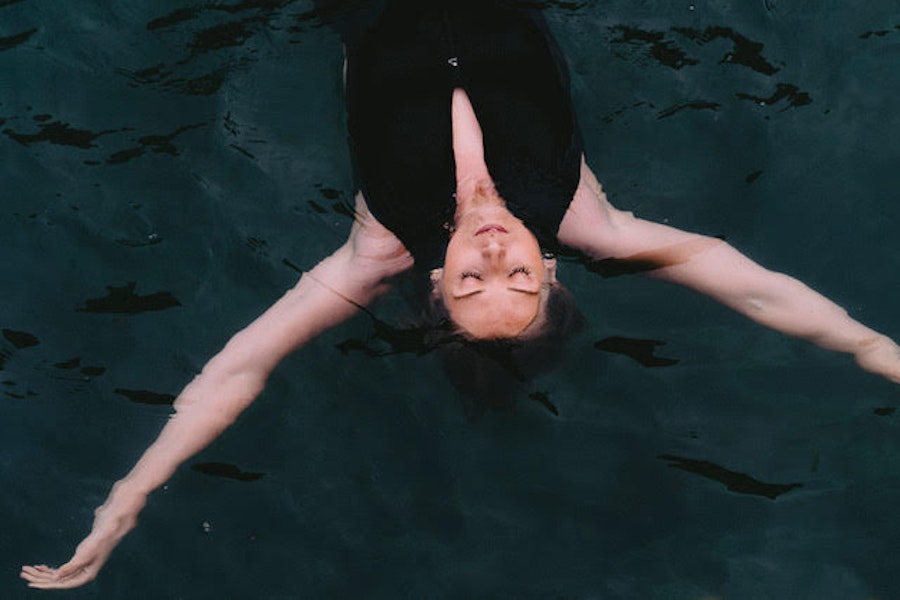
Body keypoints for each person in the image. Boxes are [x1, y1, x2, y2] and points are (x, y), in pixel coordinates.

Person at [20, 0, 900, 589]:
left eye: (473, 281)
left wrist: (125, 501)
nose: (493, 252)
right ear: (551, 269)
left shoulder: (376, 249)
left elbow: (236, 371)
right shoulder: (587, 220)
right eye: (519, 274)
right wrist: (878, 352)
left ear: (436, 289)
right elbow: (758, 293)